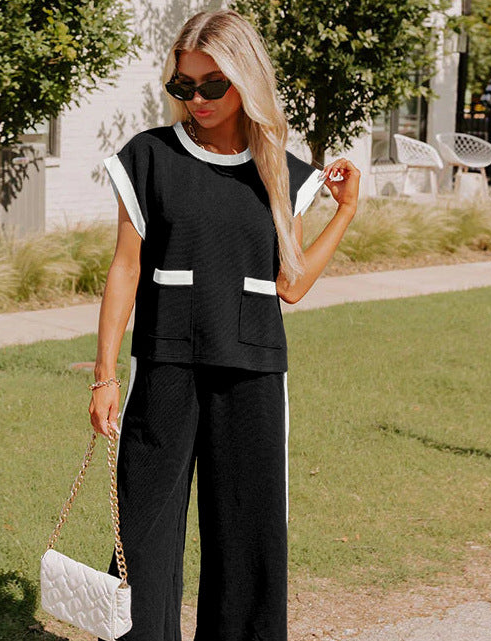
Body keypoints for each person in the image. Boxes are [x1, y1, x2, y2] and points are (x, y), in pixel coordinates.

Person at [88, 8, 360, 641]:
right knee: (144, 528)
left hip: (252, 369)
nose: (198, 98)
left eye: (213, 84)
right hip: (166, 363)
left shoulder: (282, 172)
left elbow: (290, 285)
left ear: (245, 81)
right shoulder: (148, 157)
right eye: (183, 85)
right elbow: (125, 268)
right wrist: (104, 374)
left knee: (248, 531)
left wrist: (344, 213)